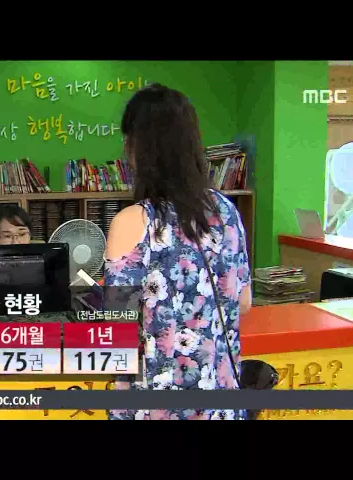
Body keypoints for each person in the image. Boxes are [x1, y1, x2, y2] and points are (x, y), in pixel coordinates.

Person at [105, 84, 252, 420]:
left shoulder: (133, 221)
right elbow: (242, 302)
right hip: (220, 405)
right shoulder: (228, 212)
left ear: (140, 148)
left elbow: (117, 323)